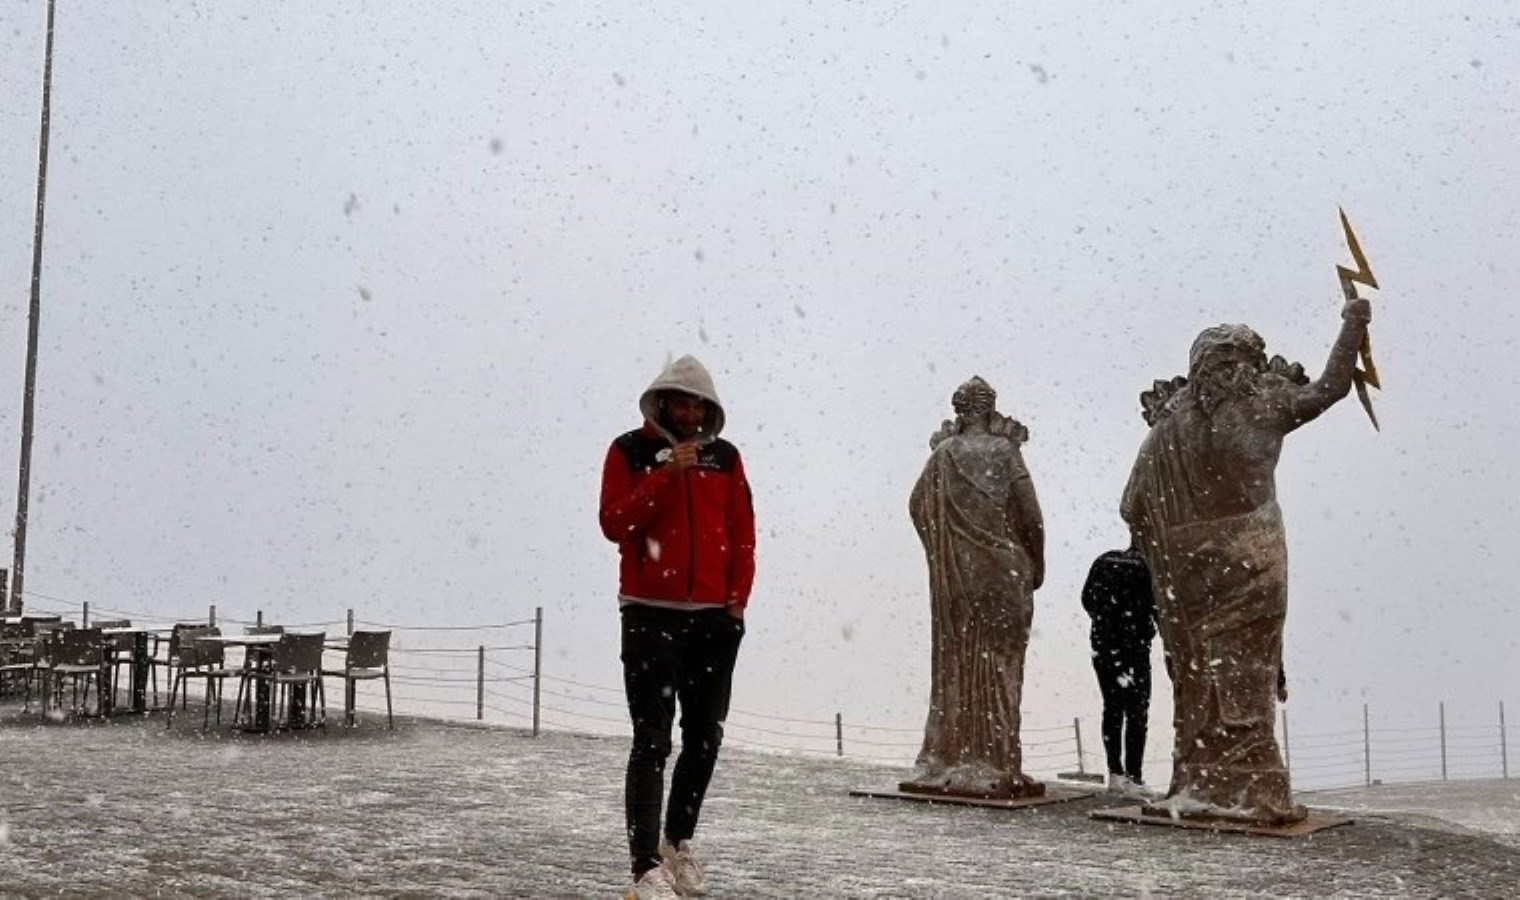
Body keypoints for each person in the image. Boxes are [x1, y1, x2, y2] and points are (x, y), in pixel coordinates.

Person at [1120, 296, 1371, 824]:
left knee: (1199, 673)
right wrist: (1353, 325)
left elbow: (1132, 505)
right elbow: (1330, 388)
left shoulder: (1167, 429)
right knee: (1247, 672)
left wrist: (1171, 552)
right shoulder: (1264, 403)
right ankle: (1250, 785)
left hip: (1189, 571)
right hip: (1251, 557)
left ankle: (1201, 778)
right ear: (1249, 366)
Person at [599, 355, 755, 899]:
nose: (690, 412)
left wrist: (736, 603)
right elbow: (614, 524)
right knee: (652, 740)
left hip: (714, 619)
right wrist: (666, 476)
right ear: (662, 401)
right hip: (648, 613)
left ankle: (677, 843)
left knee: (705, 738)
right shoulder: (629, 451)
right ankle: (644, 867)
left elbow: (742, 533)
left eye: (699, 403)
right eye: (681, 401)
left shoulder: (727, 458)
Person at [902, 376, 1046, 799]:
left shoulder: (943, 456)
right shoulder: (1004, 452)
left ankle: (954, 755)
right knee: (1000, 666)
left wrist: (946, 546)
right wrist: (1034, 560)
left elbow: (915, 506)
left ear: (959, 409)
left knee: (959, 664)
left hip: (958, 577)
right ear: (989, 408)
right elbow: (1030, 514)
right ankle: (995, 758)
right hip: (1002, 571)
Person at [1080, 542, 1157, 796]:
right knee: (1137, 710)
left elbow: (1086, 599)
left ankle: (1115, 773)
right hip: (1135, 648)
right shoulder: (1150, 567)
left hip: (1104, 646)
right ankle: (1134, 777)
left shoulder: (1104, 560)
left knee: (1113, 707)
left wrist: (1104, 621)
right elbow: (1160, 610)